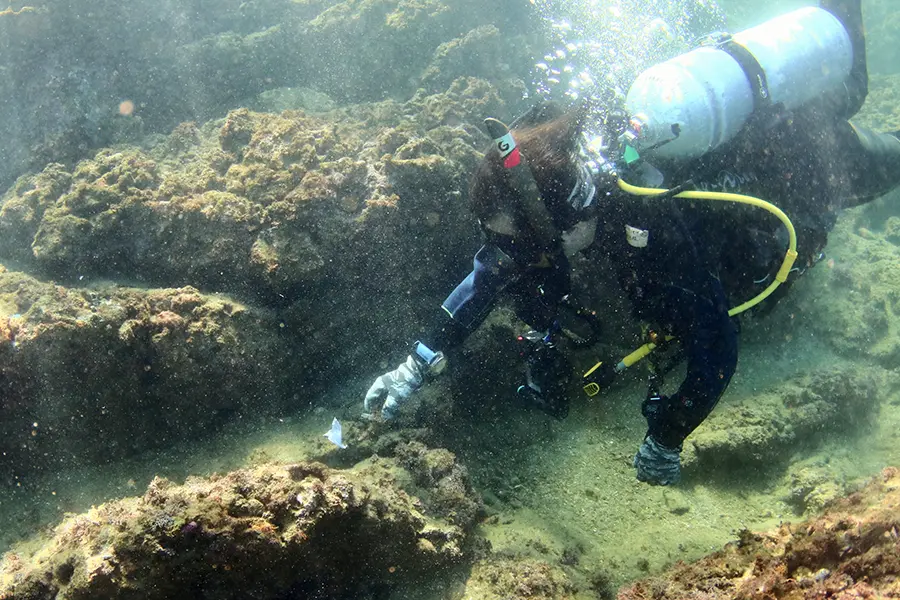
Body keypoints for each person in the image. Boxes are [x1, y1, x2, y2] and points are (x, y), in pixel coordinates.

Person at [362, 0, 900, 485]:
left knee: (861, 105)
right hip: (767, 125)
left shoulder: (654, 222)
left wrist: (669, 435)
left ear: (569, 220)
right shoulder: (556, 185)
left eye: (523, 246)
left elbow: (716, 343)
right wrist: (415, 364)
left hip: (809, 159)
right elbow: (488, 274)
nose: (513, 260)